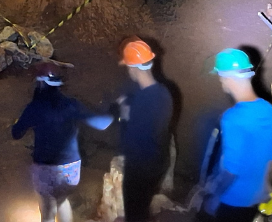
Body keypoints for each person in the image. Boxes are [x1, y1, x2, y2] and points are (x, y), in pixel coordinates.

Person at [12, 62, 113, 222]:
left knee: (47, 209)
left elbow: (16, 133)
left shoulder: (34, 108)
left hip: (45, 169)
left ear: (40, 82)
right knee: (61, 200)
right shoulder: (72, 104)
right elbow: (102, 124)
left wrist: (22, 120)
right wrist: (114, 110)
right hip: (71, 171)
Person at [196, 48, 272, 222]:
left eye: (221, 76)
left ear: (226, 77)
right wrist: (265, 186)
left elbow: (231, 169)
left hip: (232, 200)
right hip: (255, 199)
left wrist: (214, 197)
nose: (221, 80)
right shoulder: (271, 110)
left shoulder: (232, 118)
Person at [116, 37, 174, 222]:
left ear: (132, 68)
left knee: (135, 214)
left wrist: (124, 117)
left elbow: (131, 142)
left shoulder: (141, 101)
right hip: (158, 163)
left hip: (140, 167)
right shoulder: (165, 92)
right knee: (143, 208)